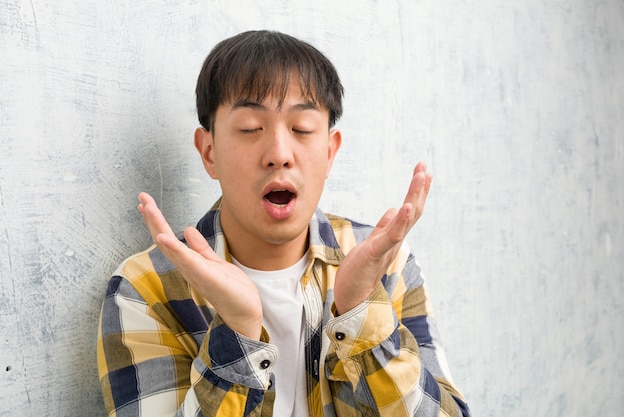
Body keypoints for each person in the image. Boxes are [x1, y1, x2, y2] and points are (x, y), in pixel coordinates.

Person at [97, 30, 471, 417]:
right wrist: (239, 332)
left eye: (302, 129)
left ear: (329, 152)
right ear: (209, 152)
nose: (278, 154)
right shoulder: (145, 288)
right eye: (249, 129)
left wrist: (360, 310)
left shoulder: (386, 264)